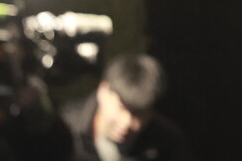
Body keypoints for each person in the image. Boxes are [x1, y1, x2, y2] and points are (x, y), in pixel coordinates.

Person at [61, 54, 191, 161]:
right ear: (103, 91)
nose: (126, 122)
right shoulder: (64, 128)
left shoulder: (167, 144)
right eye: (121, 107)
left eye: (138, 113)